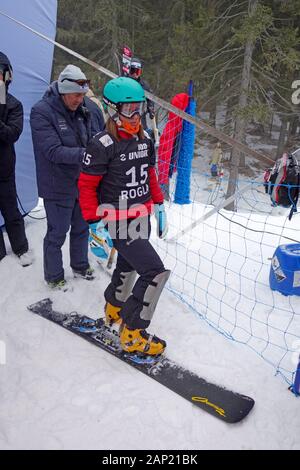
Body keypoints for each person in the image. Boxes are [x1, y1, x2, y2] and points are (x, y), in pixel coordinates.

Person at [78, 76, 170, 357]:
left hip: (141, 215)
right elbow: (86, 185)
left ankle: (113, 309)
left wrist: (159, 204)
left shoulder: (145, 139)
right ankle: (132, 332)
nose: (135, 115)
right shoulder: (102, 143)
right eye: (128, 109)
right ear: (112, 109)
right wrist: (94, 223)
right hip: (118, 220)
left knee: (128, 266)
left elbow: (150, 175)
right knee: (154, 271)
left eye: (138, 108)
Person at [30, 64, 104, 290]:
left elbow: (93, 137)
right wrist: (87, 155)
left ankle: (80, 265)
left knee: (81, 227)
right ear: (63, 91)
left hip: (81, 182)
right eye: (75, 95)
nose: (79, 100)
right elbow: (52, 150)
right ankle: (54, 276)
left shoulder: (84, 109)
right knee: (57, 232)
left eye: (82, 95)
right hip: (56, 183)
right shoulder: (41, 111)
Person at [0, 52, 32, 267]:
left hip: (4, 169)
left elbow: (12, 133)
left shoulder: (14, 104)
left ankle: (21, 249)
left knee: (11, 211)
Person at [128, 57, 155, 130]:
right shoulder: (124, 81)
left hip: (139, 114)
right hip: (125, 112)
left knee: (142, 131)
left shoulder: (144, 85)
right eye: (132, 71)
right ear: (129, 70)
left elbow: (150, 98)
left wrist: (151, 109)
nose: (134, 74)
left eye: (137, 72)